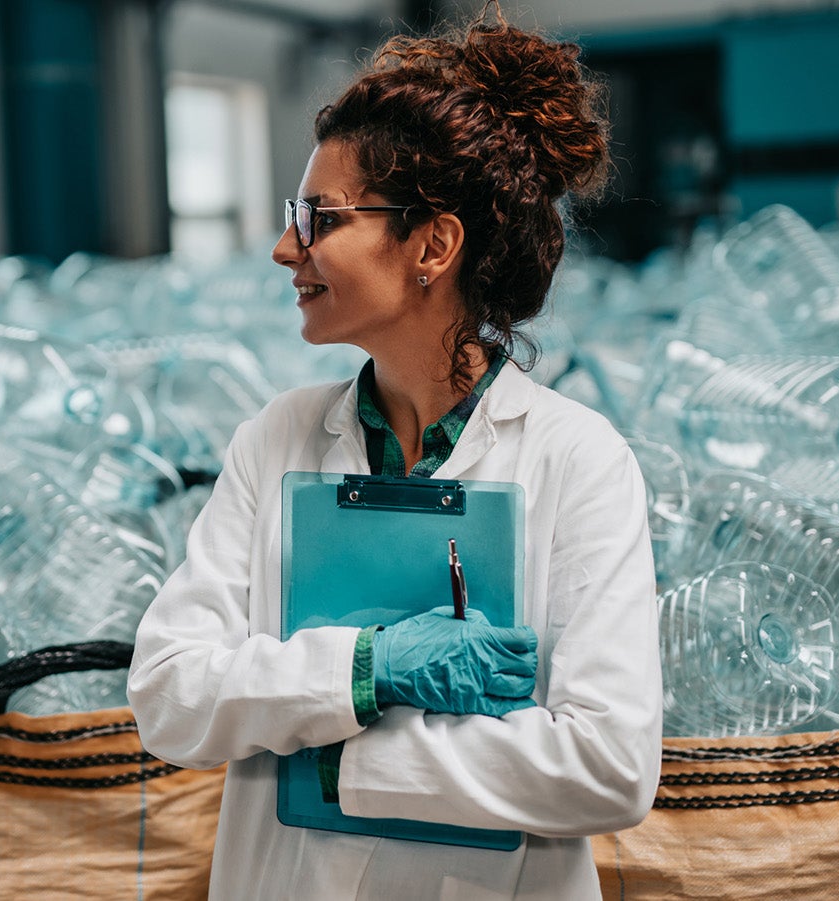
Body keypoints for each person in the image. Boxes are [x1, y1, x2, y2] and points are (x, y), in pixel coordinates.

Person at [127, 7, 661, 898]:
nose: (284, 247)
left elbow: (606, 763)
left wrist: (339, 761)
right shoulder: (279, 437)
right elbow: (171, 695)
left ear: (431, 246)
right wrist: (367, 668)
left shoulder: (577, 460)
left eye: (320, 217)